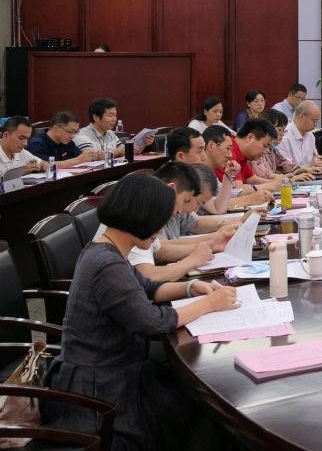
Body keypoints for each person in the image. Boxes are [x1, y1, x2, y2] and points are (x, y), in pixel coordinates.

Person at [44, 173, 238, 450]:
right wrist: (208, 304)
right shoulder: (106, 264)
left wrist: (191, 287)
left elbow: (148, 287)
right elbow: (152, 323)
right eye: (159, 221)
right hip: (99, 390)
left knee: (196, 404)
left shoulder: (106, 250)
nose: (160, 230)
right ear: (142, 217)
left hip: (117, 370)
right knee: (199, 414)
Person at [125, 163, 238, 283]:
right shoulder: (139, 213)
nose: (180, 211)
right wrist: (193, 260)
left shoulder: (149, 209)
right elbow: (149, 275)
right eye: (186, 200)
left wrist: (212, 243)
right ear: (172, 189)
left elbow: (159, 248)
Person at [202, 125, 270, 210]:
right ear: (211, 146)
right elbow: (216, 206)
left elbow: (229, 194)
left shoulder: (209, 173)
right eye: (228, 148)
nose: (230, 155)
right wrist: (250, 199)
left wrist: (259, 194)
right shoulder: (197, 174)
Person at [75, 98, 152, 156]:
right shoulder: (82, 135)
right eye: (110, 115)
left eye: (115, 115)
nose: (114, 119)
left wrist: (144, 143)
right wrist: (119, 151)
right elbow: (93, 157)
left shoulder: (110, 133)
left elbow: (126, 151)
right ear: (96, 117)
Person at [251, 109, 312, 181]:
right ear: (267, 129)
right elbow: (264, 176)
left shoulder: (272, 149)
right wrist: (288, 179)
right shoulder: (256, 151)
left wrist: (304, 170)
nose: (282, 134)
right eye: (279, 130)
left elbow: (283, 163)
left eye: (284, 130)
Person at [26, 110, 102, 168]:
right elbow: (46, 165)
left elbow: (80, 156)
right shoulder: (36, 144)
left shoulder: (68, 142)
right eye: (70, 131)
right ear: (55, 128)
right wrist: (78, 160)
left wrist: (94, 155)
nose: (72, 136)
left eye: (75, 132)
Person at [281, 101, 322, 170]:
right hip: (294, 176)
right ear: (302, 117)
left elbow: (314, 158)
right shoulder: (284, 136)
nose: (315, 124)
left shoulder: (310, 135)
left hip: (310, 174)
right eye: (314, 121)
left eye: (317, 121)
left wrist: (320, 160)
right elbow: (286, 169)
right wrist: (310, 165)